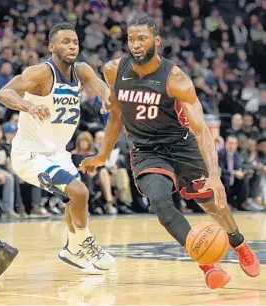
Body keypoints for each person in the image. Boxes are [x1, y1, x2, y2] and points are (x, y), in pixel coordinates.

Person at [81, 17, 260, 288]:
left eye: (142, 38)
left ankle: (238, 241)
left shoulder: (176, 79)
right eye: (131, 39)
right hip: (146, 151)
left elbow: (201, 131)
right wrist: (102, 155)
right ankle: (207, 265)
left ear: (157, 41)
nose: (136, 44)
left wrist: (214, 175)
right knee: (162, 204)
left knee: (212, 202)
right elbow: (116, 115)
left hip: (182, 146)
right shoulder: (114, 71)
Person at [0, 22, 115, 274]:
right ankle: (84, 241)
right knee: (79, 192)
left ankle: (72, 249)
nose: (72, 46)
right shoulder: (41, 73)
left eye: (74, 42)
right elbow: (4, 93)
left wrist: (106, 98)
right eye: (65, 42)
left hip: (58, 152)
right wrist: (28, 107)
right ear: (51, 47)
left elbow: (101, 87)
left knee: (76, 200)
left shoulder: (81, 70)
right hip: (30, 154)